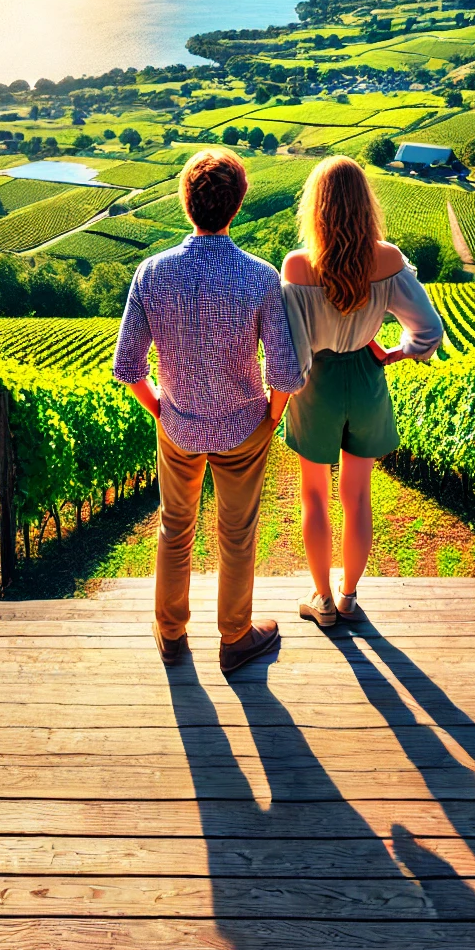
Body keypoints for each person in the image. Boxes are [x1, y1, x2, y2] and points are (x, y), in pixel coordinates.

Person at [113, 148, 304, 675]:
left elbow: (128, 367)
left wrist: (160, 409)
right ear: (238, 206)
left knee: (175, 528)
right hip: (244, 426)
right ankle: (235, 637)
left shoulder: (151, 274)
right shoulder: (261, 276)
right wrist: (270, 415)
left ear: (185, 203)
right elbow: (284, 373)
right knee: (237, 533)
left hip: (178, 425)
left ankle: (171, 635)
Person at [281, 155, 444, 628]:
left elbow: (291, 352)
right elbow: (429, 332)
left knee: (314, 495)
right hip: (368, 378)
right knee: (358, 495)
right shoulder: (388, 259)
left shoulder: (297, 266)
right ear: (365, 205)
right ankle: (350, 596)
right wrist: (394, 353)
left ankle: (323, 601)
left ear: (317, 207)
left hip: (316, 385)